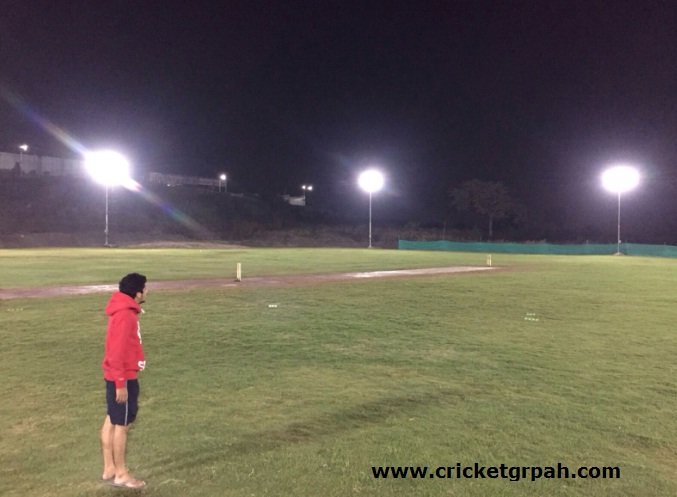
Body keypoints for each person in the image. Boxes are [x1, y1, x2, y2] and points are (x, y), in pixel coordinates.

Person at [100, 273, 148, 489]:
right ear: (137, 293)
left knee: (111, 420)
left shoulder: (122, 310)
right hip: (123, 377)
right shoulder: (126, 315)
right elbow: (116, 351)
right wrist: (121, 383)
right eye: (145, 288)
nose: (147, 291)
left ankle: (109, 468)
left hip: (115, 374)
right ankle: (121, 474)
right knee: (122, 426)